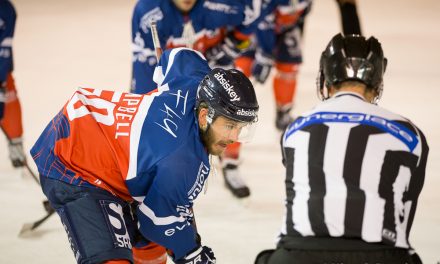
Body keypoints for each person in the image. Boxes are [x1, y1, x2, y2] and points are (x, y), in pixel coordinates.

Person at [30, 48, 259, 264]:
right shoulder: (182, 161)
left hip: (96, 132)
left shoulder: (194, 82)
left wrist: (161, 74)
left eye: (241, 128)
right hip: (72, 161)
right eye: (229, 126)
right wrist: (192, 253)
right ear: (204, 116)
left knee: (153, 243)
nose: (234, 137)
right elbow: (156, 222)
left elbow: (180, 55)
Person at [255, 33, 428, 264]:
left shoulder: (295, 128)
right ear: (378, 81)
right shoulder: (410, 133)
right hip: (381, 256)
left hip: (298, 255)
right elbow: (404, 211)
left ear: (326, 78)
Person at [131, 0, 261, 199]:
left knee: (234, 108)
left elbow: (253, 13)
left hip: (213, 64)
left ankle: (231, 162)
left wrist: (229, 47)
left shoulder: (224, 4)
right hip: (172, 76)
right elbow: (145, 78)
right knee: (154, 123)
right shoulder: (149, 12)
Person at [0, 0, 26, 168]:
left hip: (2, 70)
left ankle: (16, 150)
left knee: (9, 101)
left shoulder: (5, 10)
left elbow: (3, 49)